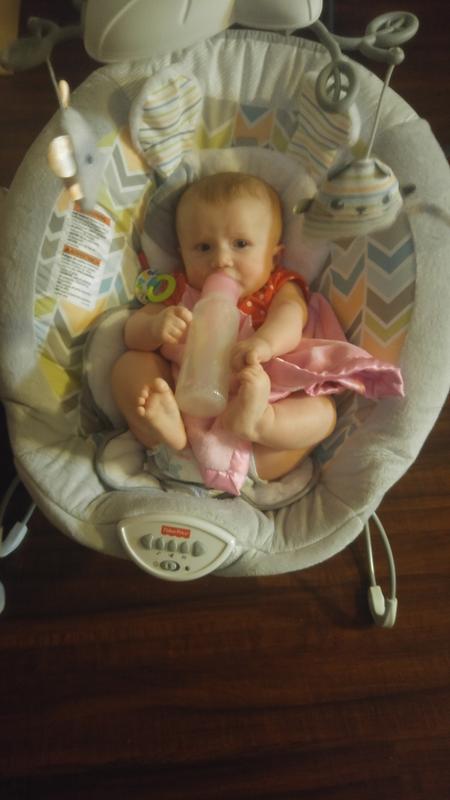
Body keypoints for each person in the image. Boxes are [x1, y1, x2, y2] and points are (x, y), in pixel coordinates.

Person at [111, 172, 337, 482]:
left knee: (323, 414)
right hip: (183, 413)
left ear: (274, 256)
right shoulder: (179, 290)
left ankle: (262, 422)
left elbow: (292, 315)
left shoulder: (275, 287)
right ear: (182, 255)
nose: (221, 260)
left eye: (241, 244)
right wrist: (154, 326)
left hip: (258, 441)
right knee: (129, 365)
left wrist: (266, 343)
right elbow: (132, 333)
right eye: (203, 247)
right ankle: (169, 432)